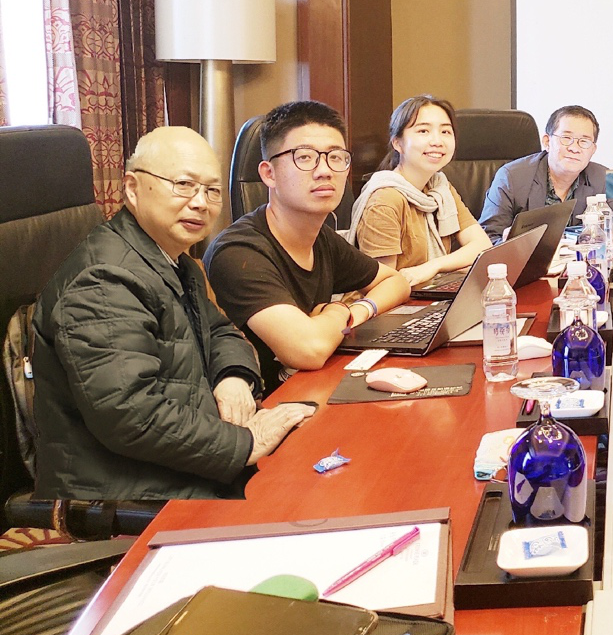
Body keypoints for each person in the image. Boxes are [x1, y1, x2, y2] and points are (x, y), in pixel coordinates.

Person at [32, 127, 313, 500]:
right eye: (183, 185)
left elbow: (222, 332)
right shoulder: (103, 280)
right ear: (133, 188)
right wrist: (245, 443)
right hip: (126, 495)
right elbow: (129, 413)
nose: (201, 203)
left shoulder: (175, 261)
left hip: (187, 463)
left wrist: (232, 376)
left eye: (212, 191)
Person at [205, 101, 409, 389]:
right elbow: (308, 350)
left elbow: (395, 282)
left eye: (336, 157)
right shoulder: (238, 252)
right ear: (269, 173)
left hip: (311, 389)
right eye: (304, 157)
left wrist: (358, 310)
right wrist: (339, 312)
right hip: (262, 407)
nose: (324, 170)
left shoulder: (321, 237)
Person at [349, 95, 491, 287]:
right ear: (397, 143)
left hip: (431, 291)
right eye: (423, 131)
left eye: (445, 131)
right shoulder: (385, 199)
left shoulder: (439, 188)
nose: (437, 141)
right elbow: (382, 286)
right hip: (394, 301)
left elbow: (482, 245)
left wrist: (434, 266)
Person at [479, 104, 607, 238]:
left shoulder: (603, 179)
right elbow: (489, 237)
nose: (574, 148)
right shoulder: (511, 177)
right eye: (566, 138)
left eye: (584, 141)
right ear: (547, 142)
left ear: (593, 149)